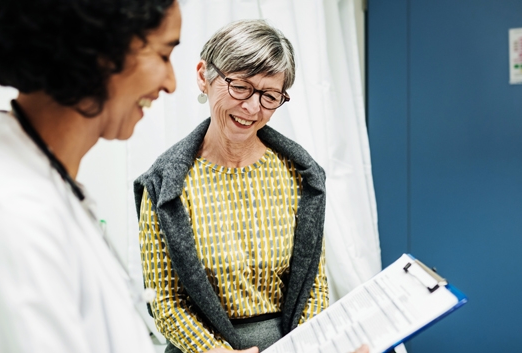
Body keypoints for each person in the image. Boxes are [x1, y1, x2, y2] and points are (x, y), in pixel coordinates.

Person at [0, 1, 257, 352]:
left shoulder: (44, 185)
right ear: (98, 51)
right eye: (162, 54)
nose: (171, 83)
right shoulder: (3, 220)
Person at [134, 19, 367, 353]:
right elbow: (166, 302)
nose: (252, 108)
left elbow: (313, 289)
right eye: (240, 87)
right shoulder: (165, 185)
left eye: (269, 96)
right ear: (204, 76)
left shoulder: (301, 175)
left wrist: (302, 347)